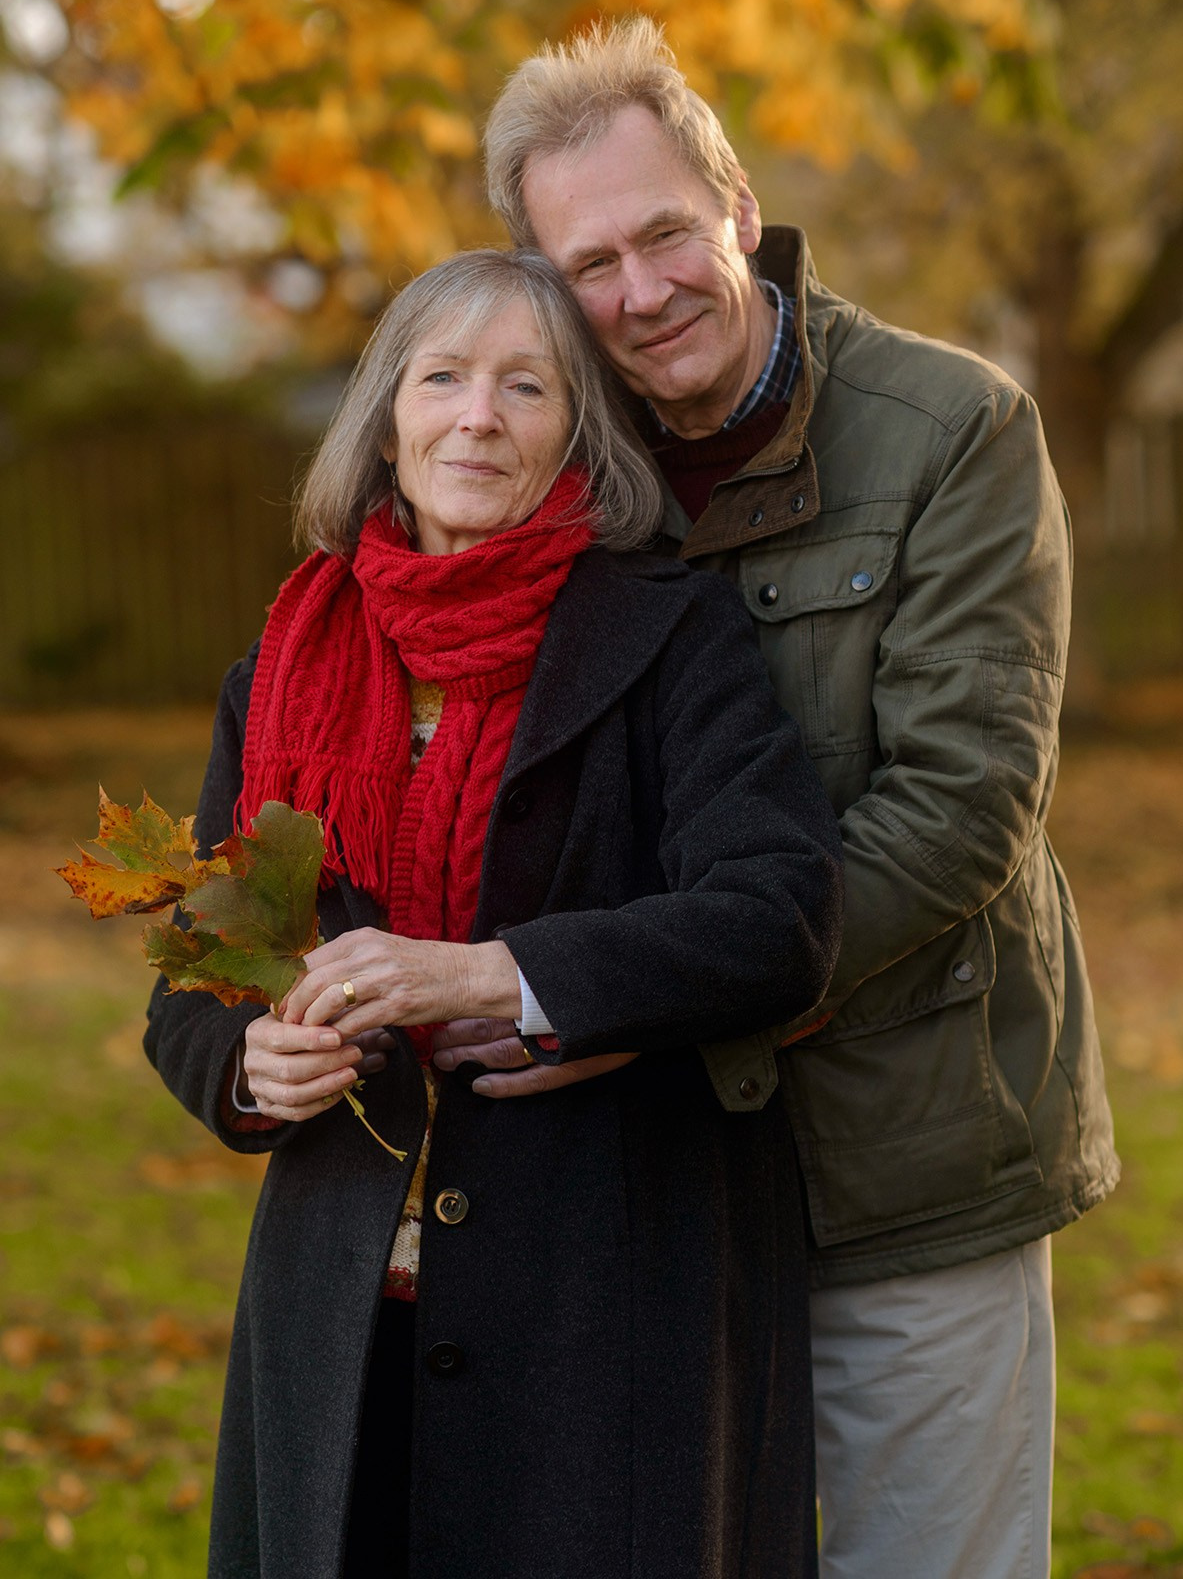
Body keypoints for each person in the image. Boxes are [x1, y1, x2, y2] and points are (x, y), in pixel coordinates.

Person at [430, 20, 1121, 1579]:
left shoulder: (952, 430)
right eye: (590, 262)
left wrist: (652, 997)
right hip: (643, 1191)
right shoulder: (554, 467)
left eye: (666, 231)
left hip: (907, 1151)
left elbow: (961, 804)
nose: (642, 290)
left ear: (735, 205)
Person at [143, 247, 844, 1579]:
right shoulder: (286, 661)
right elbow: (193, 983)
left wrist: (488, 976)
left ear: (576, 431)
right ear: (388, 417)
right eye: (445, 376)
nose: (478, 415)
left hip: (605, 1301)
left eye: (527, 387)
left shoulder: (667, 634)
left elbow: (777, 910)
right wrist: (246, 1059)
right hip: (338, 1309)